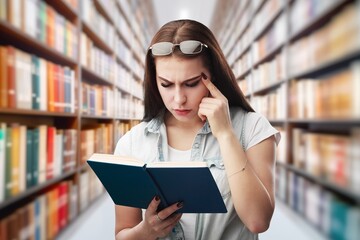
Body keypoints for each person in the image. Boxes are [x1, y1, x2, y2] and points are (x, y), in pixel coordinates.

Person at [114, 19, 281, 240]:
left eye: (191, 83)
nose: (179, 99)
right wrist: (145, 231)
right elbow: (122, 233)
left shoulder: (252, 128)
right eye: (165, 84)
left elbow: (258, 220)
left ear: (213, 75)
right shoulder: (132, 143)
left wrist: (225, 134)